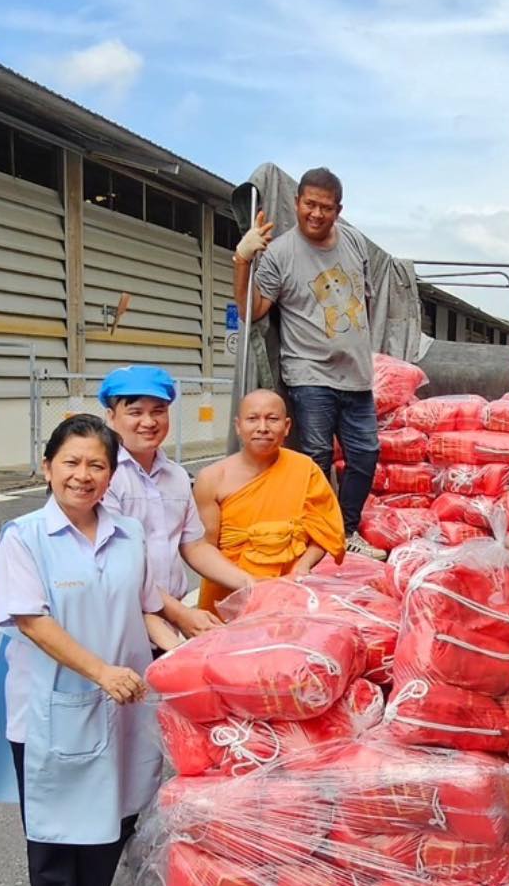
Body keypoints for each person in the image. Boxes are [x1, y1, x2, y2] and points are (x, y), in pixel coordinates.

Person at [0, 416, 176, 886]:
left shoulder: (128, 534)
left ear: (110, 473)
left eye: (97, 464)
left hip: (124, 703)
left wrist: (195, 658)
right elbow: (31, 621)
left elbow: (149, 610)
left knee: (115, 812)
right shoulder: (23, 537)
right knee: (53, 824)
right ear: (48, 468)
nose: (83, 475)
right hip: (54, 706)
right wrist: (99, 671)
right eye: (71, 462)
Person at [232, 167, 381, 556]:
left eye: (326, 207)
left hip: (357, 376)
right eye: (309, 204)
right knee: (315, 457)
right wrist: (241, 260)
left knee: (365, 455)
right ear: (297, 202)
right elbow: (254, 310)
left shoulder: (353, 242)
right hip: (308, 371)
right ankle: (316, 534)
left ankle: (344, 529)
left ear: (339, 210)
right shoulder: (280, 252)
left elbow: (363, 302)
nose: (316, 214)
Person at [99, 364, 230, 643]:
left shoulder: (177, 476)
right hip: (119, 624)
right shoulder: (103, 476)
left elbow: (193, 546)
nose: (148, 422)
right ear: (111, 417)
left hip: (167, 625)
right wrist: (180, 614)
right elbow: (117, 566)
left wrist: (252, 585)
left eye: (158, 411)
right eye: (135, 412)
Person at [193, 389, 347, 613]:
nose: (262, 427)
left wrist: (302, 567)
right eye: (253, 419)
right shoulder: (213, 478)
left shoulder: (306, 470)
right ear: (238, 426)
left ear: (286, 427)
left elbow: (324, 531)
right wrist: (249, 583)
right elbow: (205, 548)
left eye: (272, 419)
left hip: (289, 591)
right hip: (229, 592)